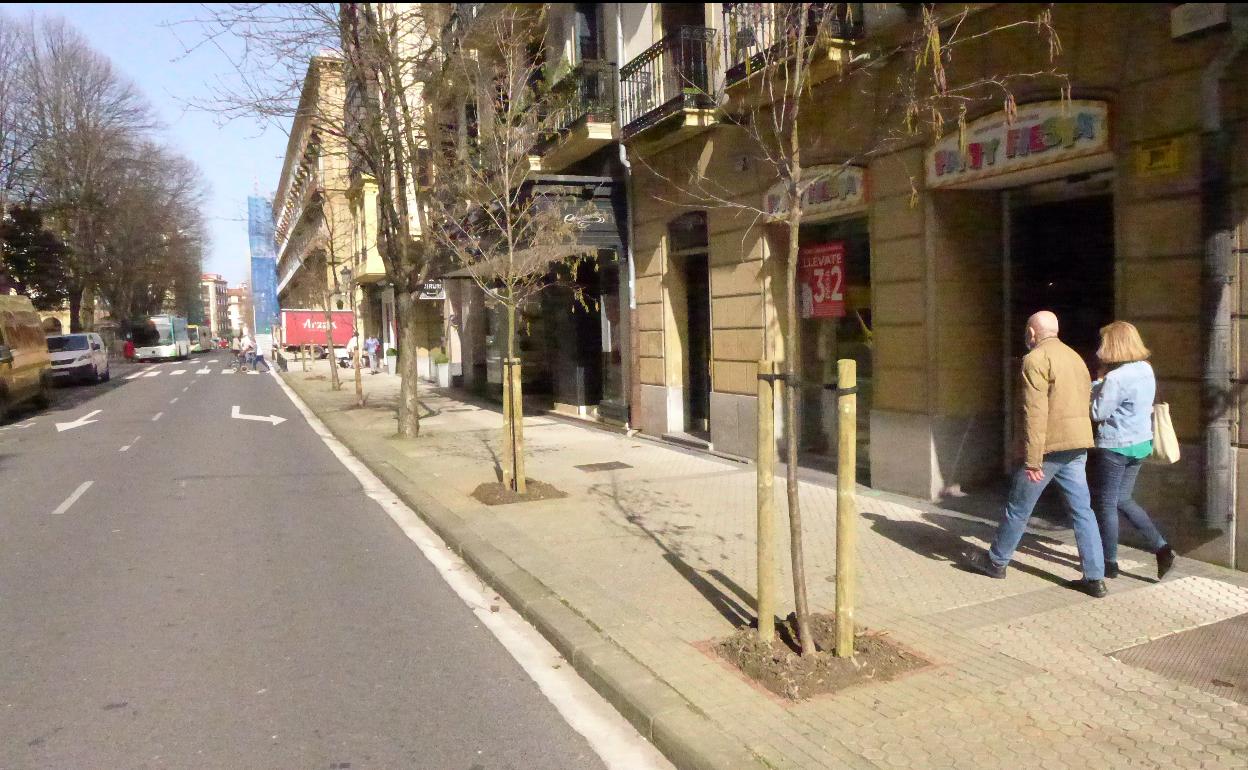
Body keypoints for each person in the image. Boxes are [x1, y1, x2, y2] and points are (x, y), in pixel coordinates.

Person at [965, 310, 1108, 598]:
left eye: (1027, 332)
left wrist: (1032, 460)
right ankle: (1095, 578)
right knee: (1083, 511)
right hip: (1077, 444)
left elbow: (1035, 412)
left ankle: (996, 562)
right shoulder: (1075, 358)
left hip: (1047, 448)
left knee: (1018, 507)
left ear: (1032, 333)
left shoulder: (1035, 359)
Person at [1091, 321, 1174, 581]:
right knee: (1124, 499)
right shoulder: (1145, 369)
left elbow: (1097, 412)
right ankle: (1162, 548)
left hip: (1116, 445)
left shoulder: (1115, 378)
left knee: (1106, 504)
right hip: (1140, 443)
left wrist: (1096, 384)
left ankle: (1109, 562)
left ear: (1113, 344)